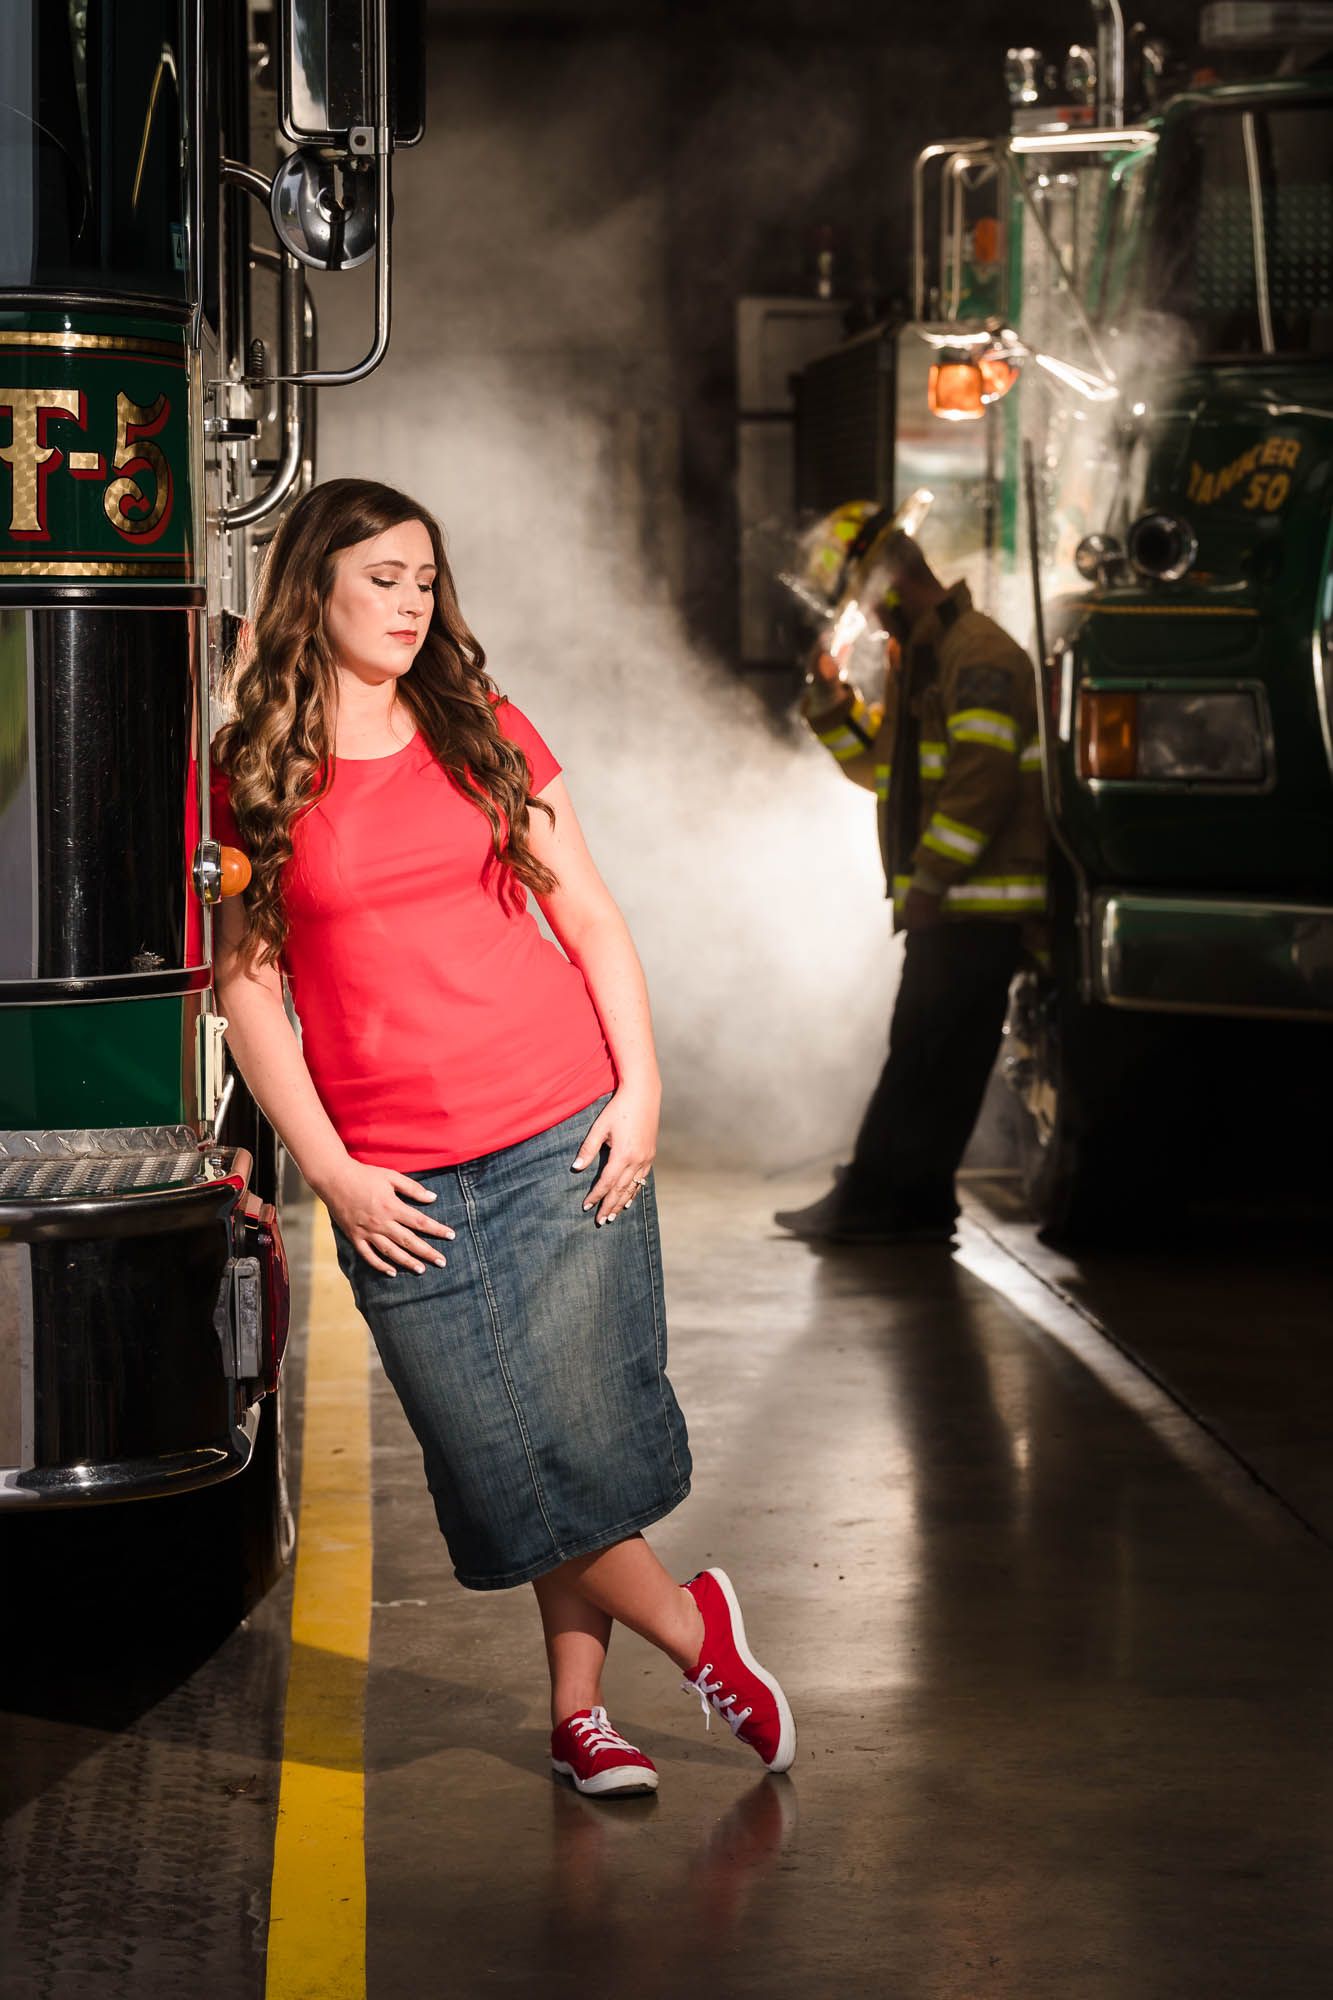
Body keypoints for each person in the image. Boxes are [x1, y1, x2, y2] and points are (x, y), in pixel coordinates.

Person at [212, 478, 795, 1796]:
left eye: (426, 579)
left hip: (555, 1123)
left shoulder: (483, 726)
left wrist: (638, 1090)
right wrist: (334, 1175)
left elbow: (589, 913)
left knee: (575, 1444)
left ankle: (581, 1717)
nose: (412, 603)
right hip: (392, 1173)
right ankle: (697, 1632)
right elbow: (247, 990)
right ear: (318, 589)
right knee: (501, 1458)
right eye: (383, 579)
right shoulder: (253, 769)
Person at [775, 523, 1046, 1246]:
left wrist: (928, 880)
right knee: (939, 1057)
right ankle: (919, 1203)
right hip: (948, 903)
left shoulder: (978, 654)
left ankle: (873, 1196)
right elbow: (881, 771)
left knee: (923, 1051)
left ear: (889, 583)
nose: (864, 619)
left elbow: (981, 781)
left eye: (863, 602)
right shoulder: (919, 658)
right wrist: (830, 701)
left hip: (970, 904)